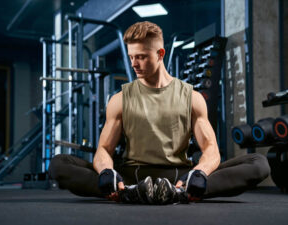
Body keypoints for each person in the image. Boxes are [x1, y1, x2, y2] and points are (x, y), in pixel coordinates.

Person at [49, 21, 270, 204]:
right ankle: (133, 190)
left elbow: (211, 149)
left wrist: (200, 173)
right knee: (59, 164)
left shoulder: (191, 98)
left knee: (258, 164)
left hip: (178, 176)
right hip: (130, 175)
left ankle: (177, 191)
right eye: (131, 57)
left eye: (141, 57)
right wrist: (107, 172)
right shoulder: (120, 100)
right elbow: (104, 149)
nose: (134, 64)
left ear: (161, 53)